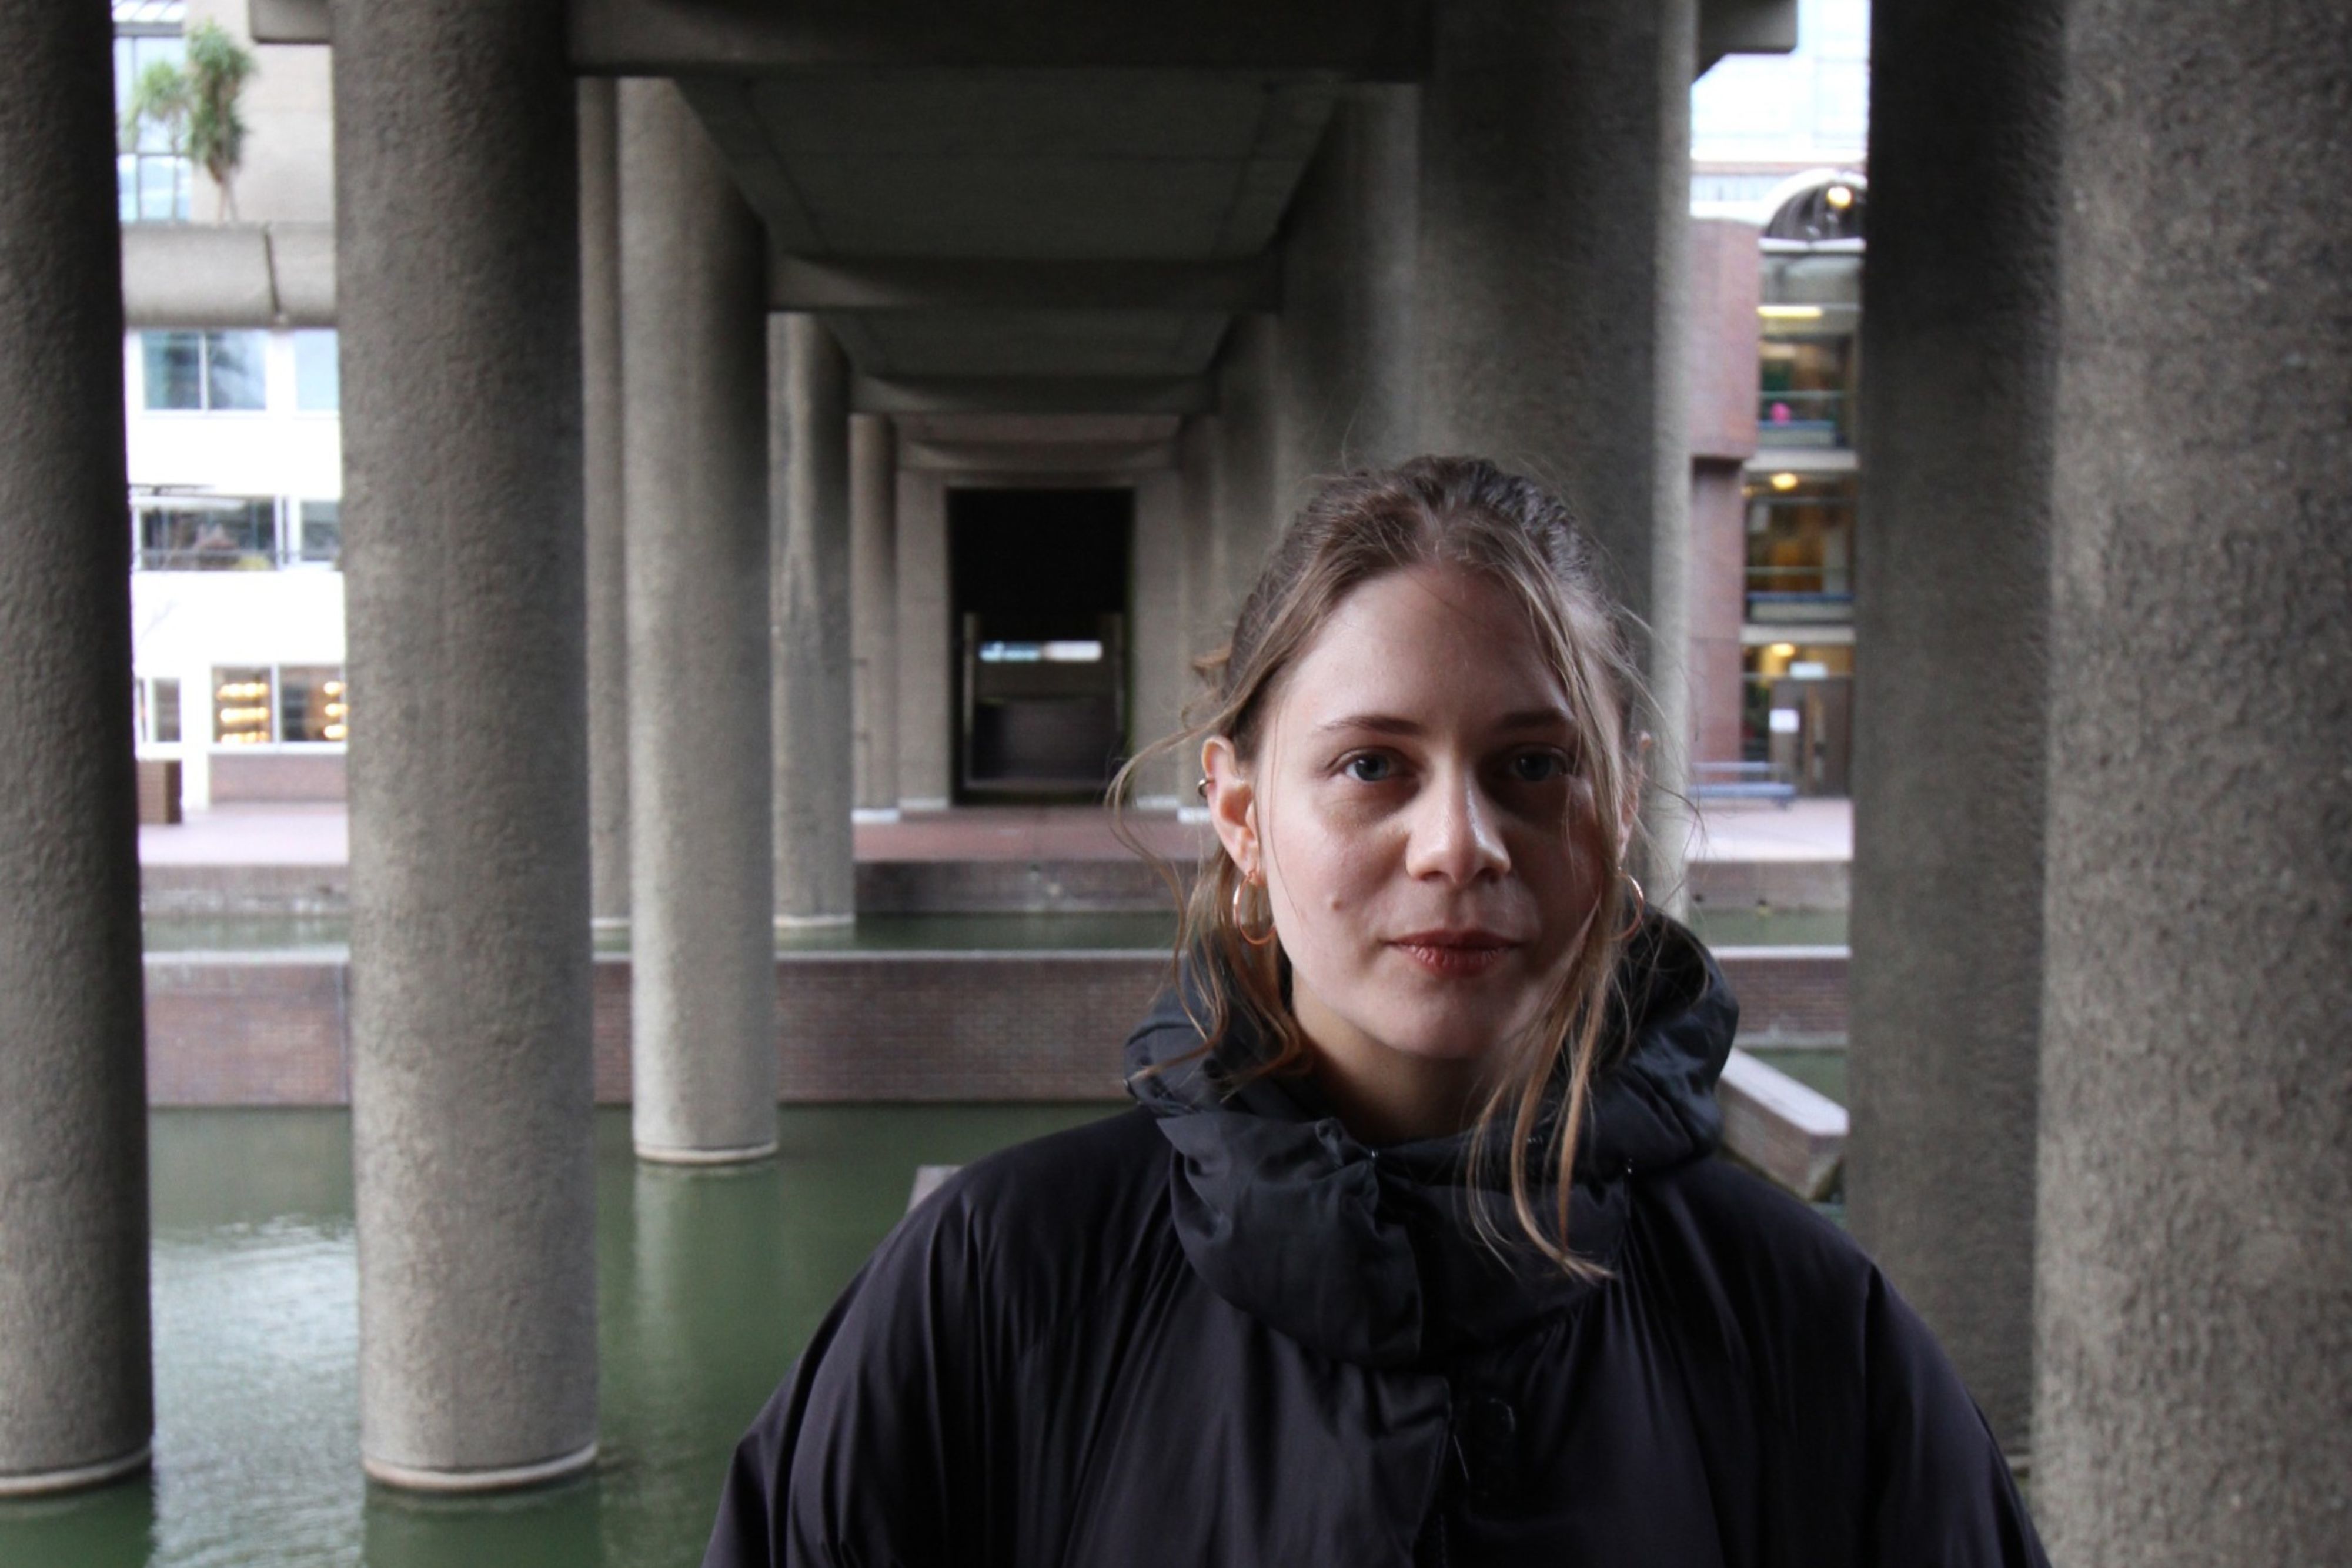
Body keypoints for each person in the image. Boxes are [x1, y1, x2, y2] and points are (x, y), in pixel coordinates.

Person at [704, 457, 2049, 1567]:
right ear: (1239, 810)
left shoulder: (1808, 1329)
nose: (1457, 843)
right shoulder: (995, 1286)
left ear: (1619, 805)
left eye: (1532, 764)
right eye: (1369, 765)